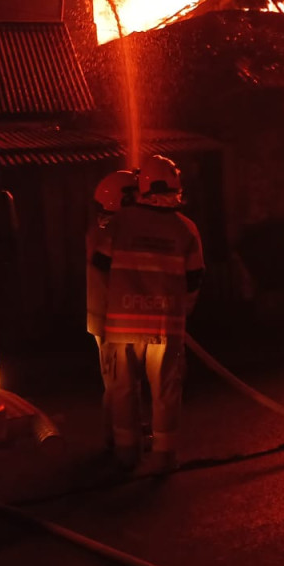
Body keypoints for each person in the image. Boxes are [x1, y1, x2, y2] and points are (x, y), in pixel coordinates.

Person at [92, 156, 204, 474]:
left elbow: (99, 266)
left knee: (124, 389)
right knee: (166, 391)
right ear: (175, 188)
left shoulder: (119, 223)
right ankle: (164, 458)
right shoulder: (187, 230)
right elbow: (195, 279)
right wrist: (183, 312)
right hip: (165, 326)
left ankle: (127, 453)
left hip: (121, 325)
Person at [87, 169, 138, 446]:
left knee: (116, 383)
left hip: (108, 317)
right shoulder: (110, 232)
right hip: (112, 319)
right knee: (122, 384)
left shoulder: (104, 228)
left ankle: (115, 438)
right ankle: (124, 446)